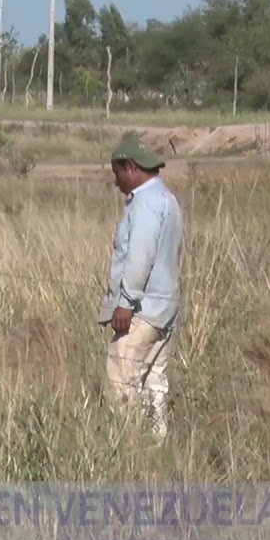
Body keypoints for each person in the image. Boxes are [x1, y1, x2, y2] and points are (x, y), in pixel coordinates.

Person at [98, 136, 184, 438]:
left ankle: (128, 445)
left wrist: (125, 301)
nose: (115, 180)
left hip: (142, 308)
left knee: (122, 378)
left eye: (117, 172)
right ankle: (157, 446)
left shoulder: (145, 203)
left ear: (130, 167)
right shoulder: (167, 198)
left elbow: (140, 254)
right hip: (166, 307)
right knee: (154, 381)